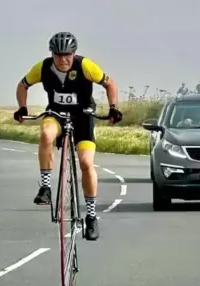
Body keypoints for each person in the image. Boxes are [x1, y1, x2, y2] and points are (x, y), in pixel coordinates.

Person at [13, 31, 122, 241]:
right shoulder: (43, 67)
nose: (63, 60)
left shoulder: (85, 66)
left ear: (74, 54)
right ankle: (45, 187)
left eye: (68, 55)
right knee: (46, 134)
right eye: (58, 55)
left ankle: (91, 217)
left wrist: (113, 107)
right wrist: (22, 107)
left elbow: (110, 83)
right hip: (55, 115)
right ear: (52, 54)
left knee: (86, 164)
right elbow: (22, 85)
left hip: (83, 117)